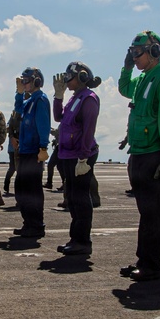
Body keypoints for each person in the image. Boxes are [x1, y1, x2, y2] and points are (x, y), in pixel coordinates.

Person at [118, 30, 160, 281]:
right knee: (146, 213)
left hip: (154, 154)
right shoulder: (144, 79)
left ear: (154, 52)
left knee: (153, 213)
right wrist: (126, 68)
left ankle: (153, 266)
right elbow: (124, 89)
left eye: (138, 53)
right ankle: (144, 260)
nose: (134, 58)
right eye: (132, 53)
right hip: (139, 153)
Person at [52, 62, 101, 256]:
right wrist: (58, 96)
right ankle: (75, 238)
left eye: (68, 77)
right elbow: (58, 117)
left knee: (80, 199)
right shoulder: (75, 99)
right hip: (68, 154)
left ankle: (82, 241)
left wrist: (83, 157)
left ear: (81, 77)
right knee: (72, 198)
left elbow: (89, 129)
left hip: (80, 155)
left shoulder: (89, 99)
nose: (65, 80)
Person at [13, 66, 51, 238]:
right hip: (26, 150)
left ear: (36, 81)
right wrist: (19, 93)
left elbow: (43, 125)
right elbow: (19, 109)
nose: (24, 84)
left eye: (26, 81)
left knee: (32, 190)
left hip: (34, 151)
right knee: (21, 188)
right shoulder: (30, 101)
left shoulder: (41, 100)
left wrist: (43, 147)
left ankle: (36, 225)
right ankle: (28, 222)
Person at [4, 107, 21, 196]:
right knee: (13, 168)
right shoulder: (14, 115)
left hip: (17, 147)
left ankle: (7, 186)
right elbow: (8, 127)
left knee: (15, 168)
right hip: (13, 147)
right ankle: (6, 185)